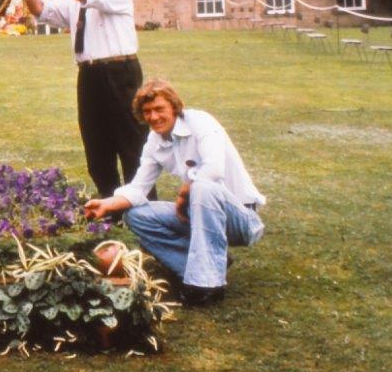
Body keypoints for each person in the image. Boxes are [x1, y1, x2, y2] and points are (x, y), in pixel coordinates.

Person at [83, 79, 266, 305]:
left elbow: (213, 169)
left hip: (241, 219)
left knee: (202, 187)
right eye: (147, 111)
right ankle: (200, 268)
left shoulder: (201, 122)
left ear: (174, 107)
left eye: (159, 109)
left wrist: (183, 195)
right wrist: (107, 204)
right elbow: (139, 188)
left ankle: (209, 286)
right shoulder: (154, 140)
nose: (153, 117)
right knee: (136, 215)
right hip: (199, 213)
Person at [24, 0, 148, 200]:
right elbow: (39, 9)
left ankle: (142, 202)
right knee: (95, 140)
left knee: (131, 140)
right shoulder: (73, 2)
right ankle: (108, 199)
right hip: (89, 75)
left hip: (120, 72)